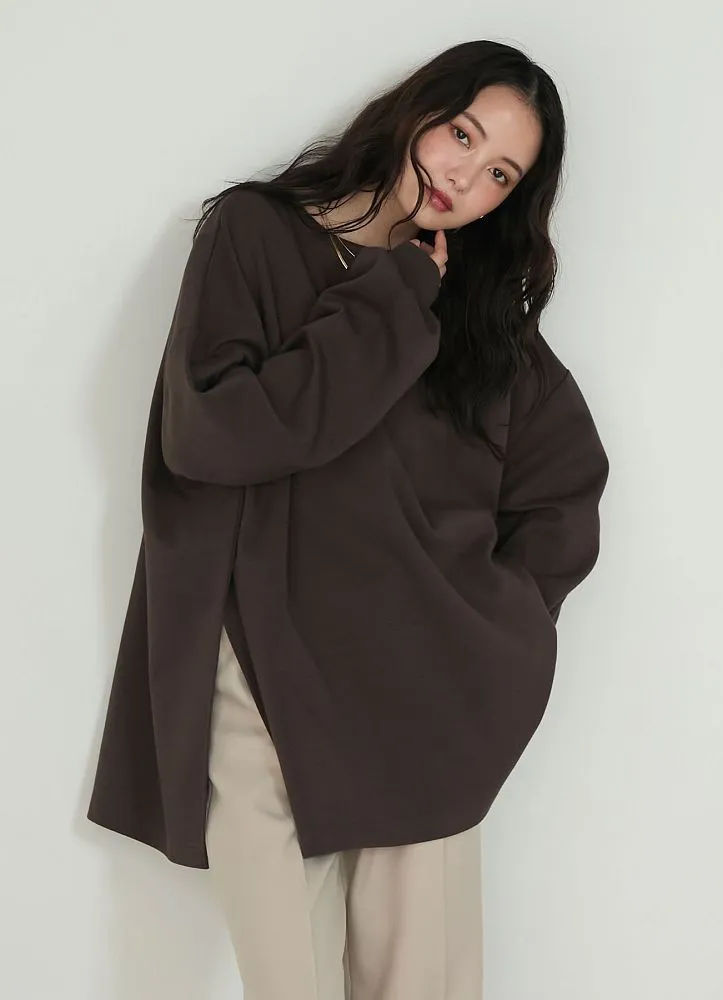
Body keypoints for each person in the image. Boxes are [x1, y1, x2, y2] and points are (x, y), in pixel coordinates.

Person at [86, 38, 610, 999]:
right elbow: (215, 437)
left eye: (501, 174)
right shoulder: (256, 234)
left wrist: (496, 620)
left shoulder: (478, 319)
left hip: (424, 695)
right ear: (418, 107)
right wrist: (396, 294)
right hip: (263, 681)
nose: (465, 177)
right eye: (462, 135)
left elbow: (563, 481)